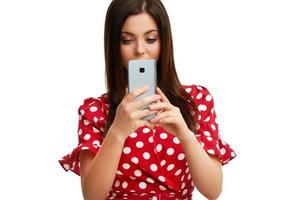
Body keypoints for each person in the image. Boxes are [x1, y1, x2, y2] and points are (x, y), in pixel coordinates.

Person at [59, 0, 236, 199]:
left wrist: (185, 134)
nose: (140, 50)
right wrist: (117, 131)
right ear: (113, 45)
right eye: (127, 40)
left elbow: (213, 191)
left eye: (151, 39)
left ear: (164, 41)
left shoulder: (196, 100)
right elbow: (92, 196)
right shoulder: (95, 110)